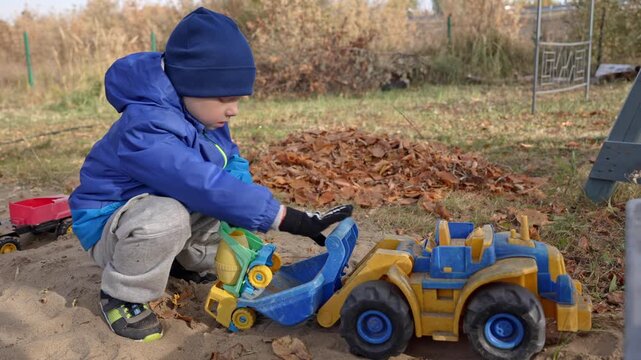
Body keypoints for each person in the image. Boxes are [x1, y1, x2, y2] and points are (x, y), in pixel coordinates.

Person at [69, 7, 353, 342]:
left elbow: (229, 165)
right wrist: (282, 217)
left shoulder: (202, 113)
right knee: (169, 217)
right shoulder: (145, 126)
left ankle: (185, 262)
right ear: (191, 84)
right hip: (110, 223)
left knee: (224, 211)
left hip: (153, 204)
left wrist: (248, 214)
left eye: (237, 99)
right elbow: (197, 182)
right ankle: (122, 294)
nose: (233, 109)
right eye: (225, 99)